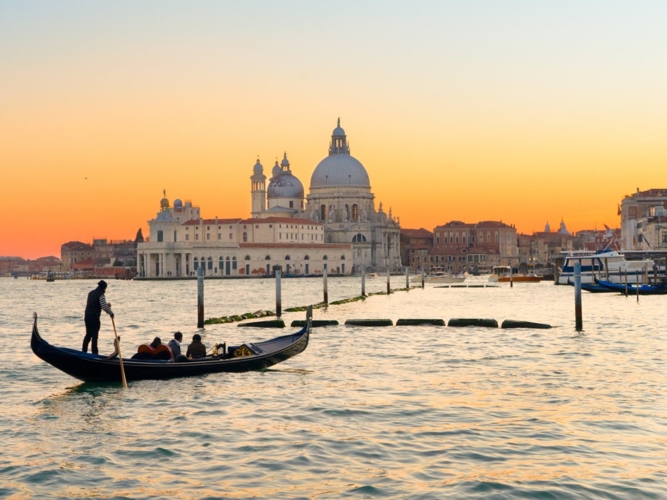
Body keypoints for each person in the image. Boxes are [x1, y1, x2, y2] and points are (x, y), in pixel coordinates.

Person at [83, 280, 114, 354]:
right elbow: (104, 307)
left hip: (87, 316)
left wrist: (107, 305)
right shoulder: (101, 295)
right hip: (94, 317)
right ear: (104, 287)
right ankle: (95, 353)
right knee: (94, 336)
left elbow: (96, 303)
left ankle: (84, 351)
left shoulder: (90, 293)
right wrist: (111, 313)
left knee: (88, 334)